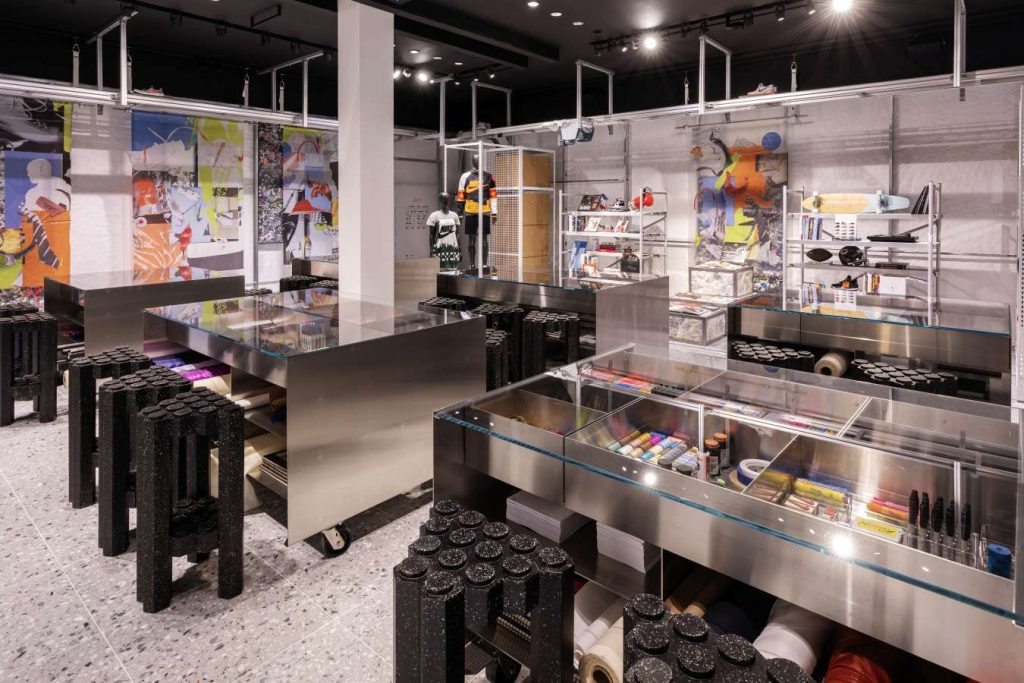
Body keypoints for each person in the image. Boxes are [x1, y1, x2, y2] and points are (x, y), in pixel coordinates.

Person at [426, 192, 461, 270]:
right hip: (440, 248)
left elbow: (457, 234)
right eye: (443, 199)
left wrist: (459, 248)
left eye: (446, 199)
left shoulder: (454, 215)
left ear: (449, 200)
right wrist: (431, 249)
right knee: (440, 271)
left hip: (453, 249)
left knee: (452, 272)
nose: (445, 201)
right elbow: (431, 234)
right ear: (440, 200)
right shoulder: (434, 216)